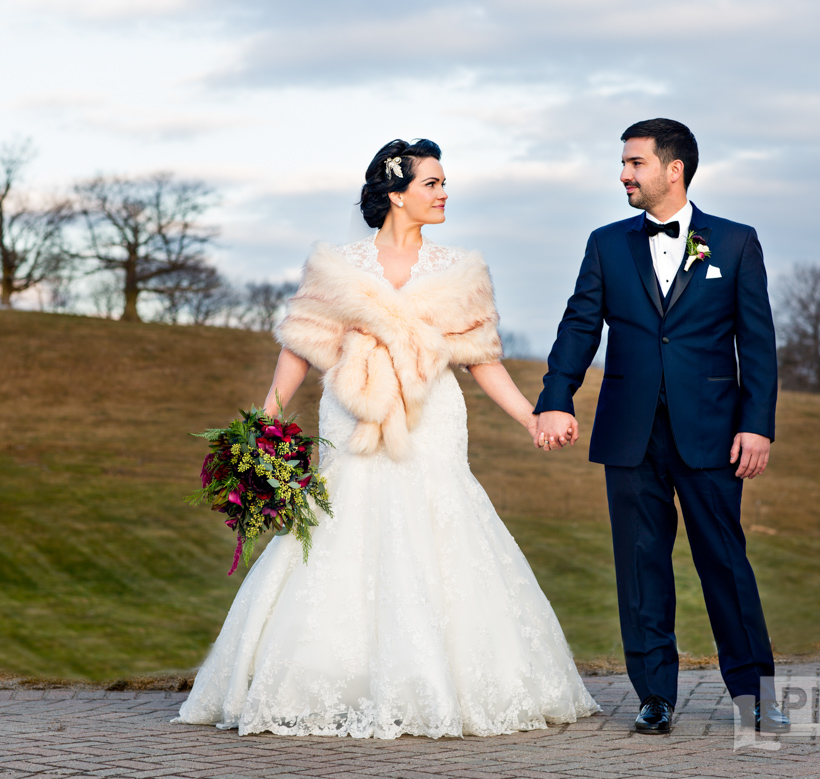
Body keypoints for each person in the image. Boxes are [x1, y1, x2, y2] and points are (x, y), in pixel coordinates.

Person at [173, 139, 599, 739]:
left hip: (432, 418)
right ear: (397, 194)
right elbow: (301, 346)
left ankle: (443, 682)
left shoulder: (461, 271)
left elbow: (483, 359)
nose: (444, 192)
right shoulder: (337, 267)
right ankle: (333, 678)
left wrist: (531, 417)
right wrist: (263, 422)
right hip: (351, 416)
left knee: (439, 525)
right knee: (341, 527)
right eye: (432, 183)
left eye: (444, 182)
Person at [534, 118, 791, 735]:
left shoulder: (734, 242)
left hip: (712, 430)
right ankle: (655, 696)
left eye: (635, 163)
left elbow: (757, 342)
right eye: (624, 164)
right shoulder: (606, 243)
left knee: (725, 562)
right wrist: (555, 397)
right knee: (640, 564)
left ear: (673, 170)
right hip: (630, 431)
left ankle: (755, 695)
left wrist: (756, 425)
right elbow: (579, 327)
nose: (623, 174)